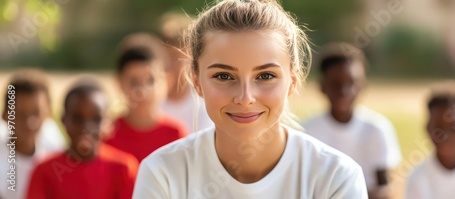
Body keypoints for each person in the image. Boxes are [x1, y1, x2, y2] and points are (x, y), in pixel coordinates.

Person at [133, 1, 368, 198]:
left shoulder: (336, 178)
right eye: (223, 76)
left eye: (265, 76)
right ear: (197, 82)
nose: (245, 98)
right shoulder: (163, 173)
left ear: (293, 82)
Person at [302, 43, 401, 198]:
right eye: (336, 84)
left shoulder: (377, 128)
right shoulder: (307, 132)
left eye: (352, 83)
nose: (344, 91)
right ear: (322, 86)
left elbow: (385, 188)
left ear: (363, 86)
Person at [26, 79, 138, 199]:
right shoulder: (45, 170)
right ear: (63, 120)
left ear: (108, 123)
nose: (86, 127)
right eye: (77, 118)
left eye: (96, 119)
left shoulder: (124, 168)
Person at [105, 35, 188, 162]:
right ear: (119, 83)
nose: (142, 90)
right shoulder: (107, 134)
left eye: (151, 80)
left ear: (167, 81)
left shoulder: (177, 135)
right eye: (133, 81)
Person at [0, 69, 65, 199]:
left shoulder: (55, 146)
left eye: (36, 113)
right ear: (6, 115)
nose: (29, 123)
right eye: (20, 114)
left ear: (48, 114)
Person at [159, 12, 213, 132]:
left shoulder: (203, 102)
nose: (174, 66)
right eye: (169, 57)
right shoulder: (152, 101)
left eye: (180, 59)